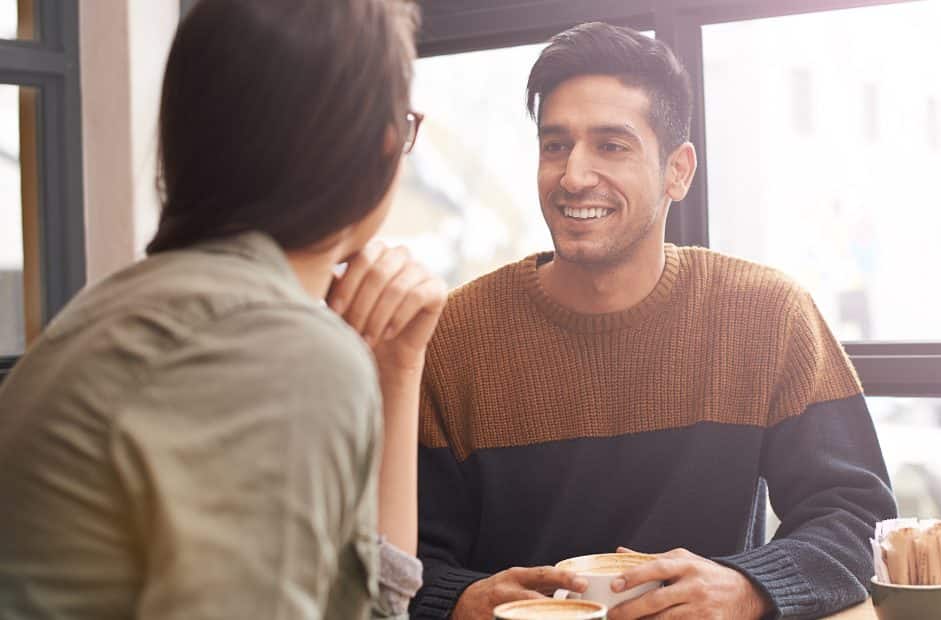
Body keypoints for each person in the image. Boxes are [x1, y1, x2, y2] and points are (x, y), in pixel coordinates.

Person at [402, 22, 896, 620]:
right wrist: (457, 598)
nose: (574, 175)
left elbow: (859, 518)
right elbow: (396, 553)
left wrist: (747, 588)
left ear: (678, 171)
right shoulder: (459, 334)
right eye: (555, 145)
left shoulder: (766, 313)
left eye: (611, 145)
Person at [0, 1, 444, 618]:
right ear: (384, 144)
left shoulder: (127, 306)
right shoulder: (270, 346)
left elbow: (371, 604)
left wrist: (397, 369)